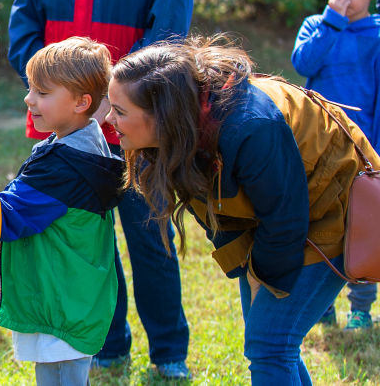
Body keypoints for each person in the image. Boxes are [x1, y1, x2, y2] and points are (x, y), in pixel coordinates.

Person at [6, 0, 192, 377]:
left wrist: (123, 99)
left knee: (148, 238)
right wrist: (49, 89)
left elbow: (169, 30)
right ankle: (108, 343)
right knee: (85, 240)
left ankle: (169, 352)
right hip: (67, 125)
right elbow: (25, 21)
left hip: (137, 121)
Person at [106, 36, 380, 385]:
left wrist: (261, 274)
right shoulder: (184, 127)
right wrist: (247, 268)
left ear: (163, 114)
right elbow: (218, 212)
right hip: (282, 212)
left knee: (269, 345)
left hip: (332, 208)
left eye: (121, 111)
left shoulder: (251, 128)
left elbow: (284, 222)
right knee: (270, 342)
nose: (109, 117)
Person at [0, 37, 121, 385]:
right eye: (31, 88)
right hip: (68, 294)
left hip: (61, 298)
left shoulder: (65, 165)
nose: (28, 99)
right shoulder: (78, 144)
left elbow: (10, 216)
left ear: (82, 102)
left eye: (43, 92)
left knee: (62, 375)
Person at [291, 0, 380, 330]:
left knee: (363, 225)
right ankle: (320, 304)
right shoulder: (316, 25)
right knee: (317, 222)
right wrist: (332, 21)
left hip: (363, 151)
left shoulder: (376, 36)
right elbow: (303, 63)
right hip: (317, 147)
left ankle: (361, 305)